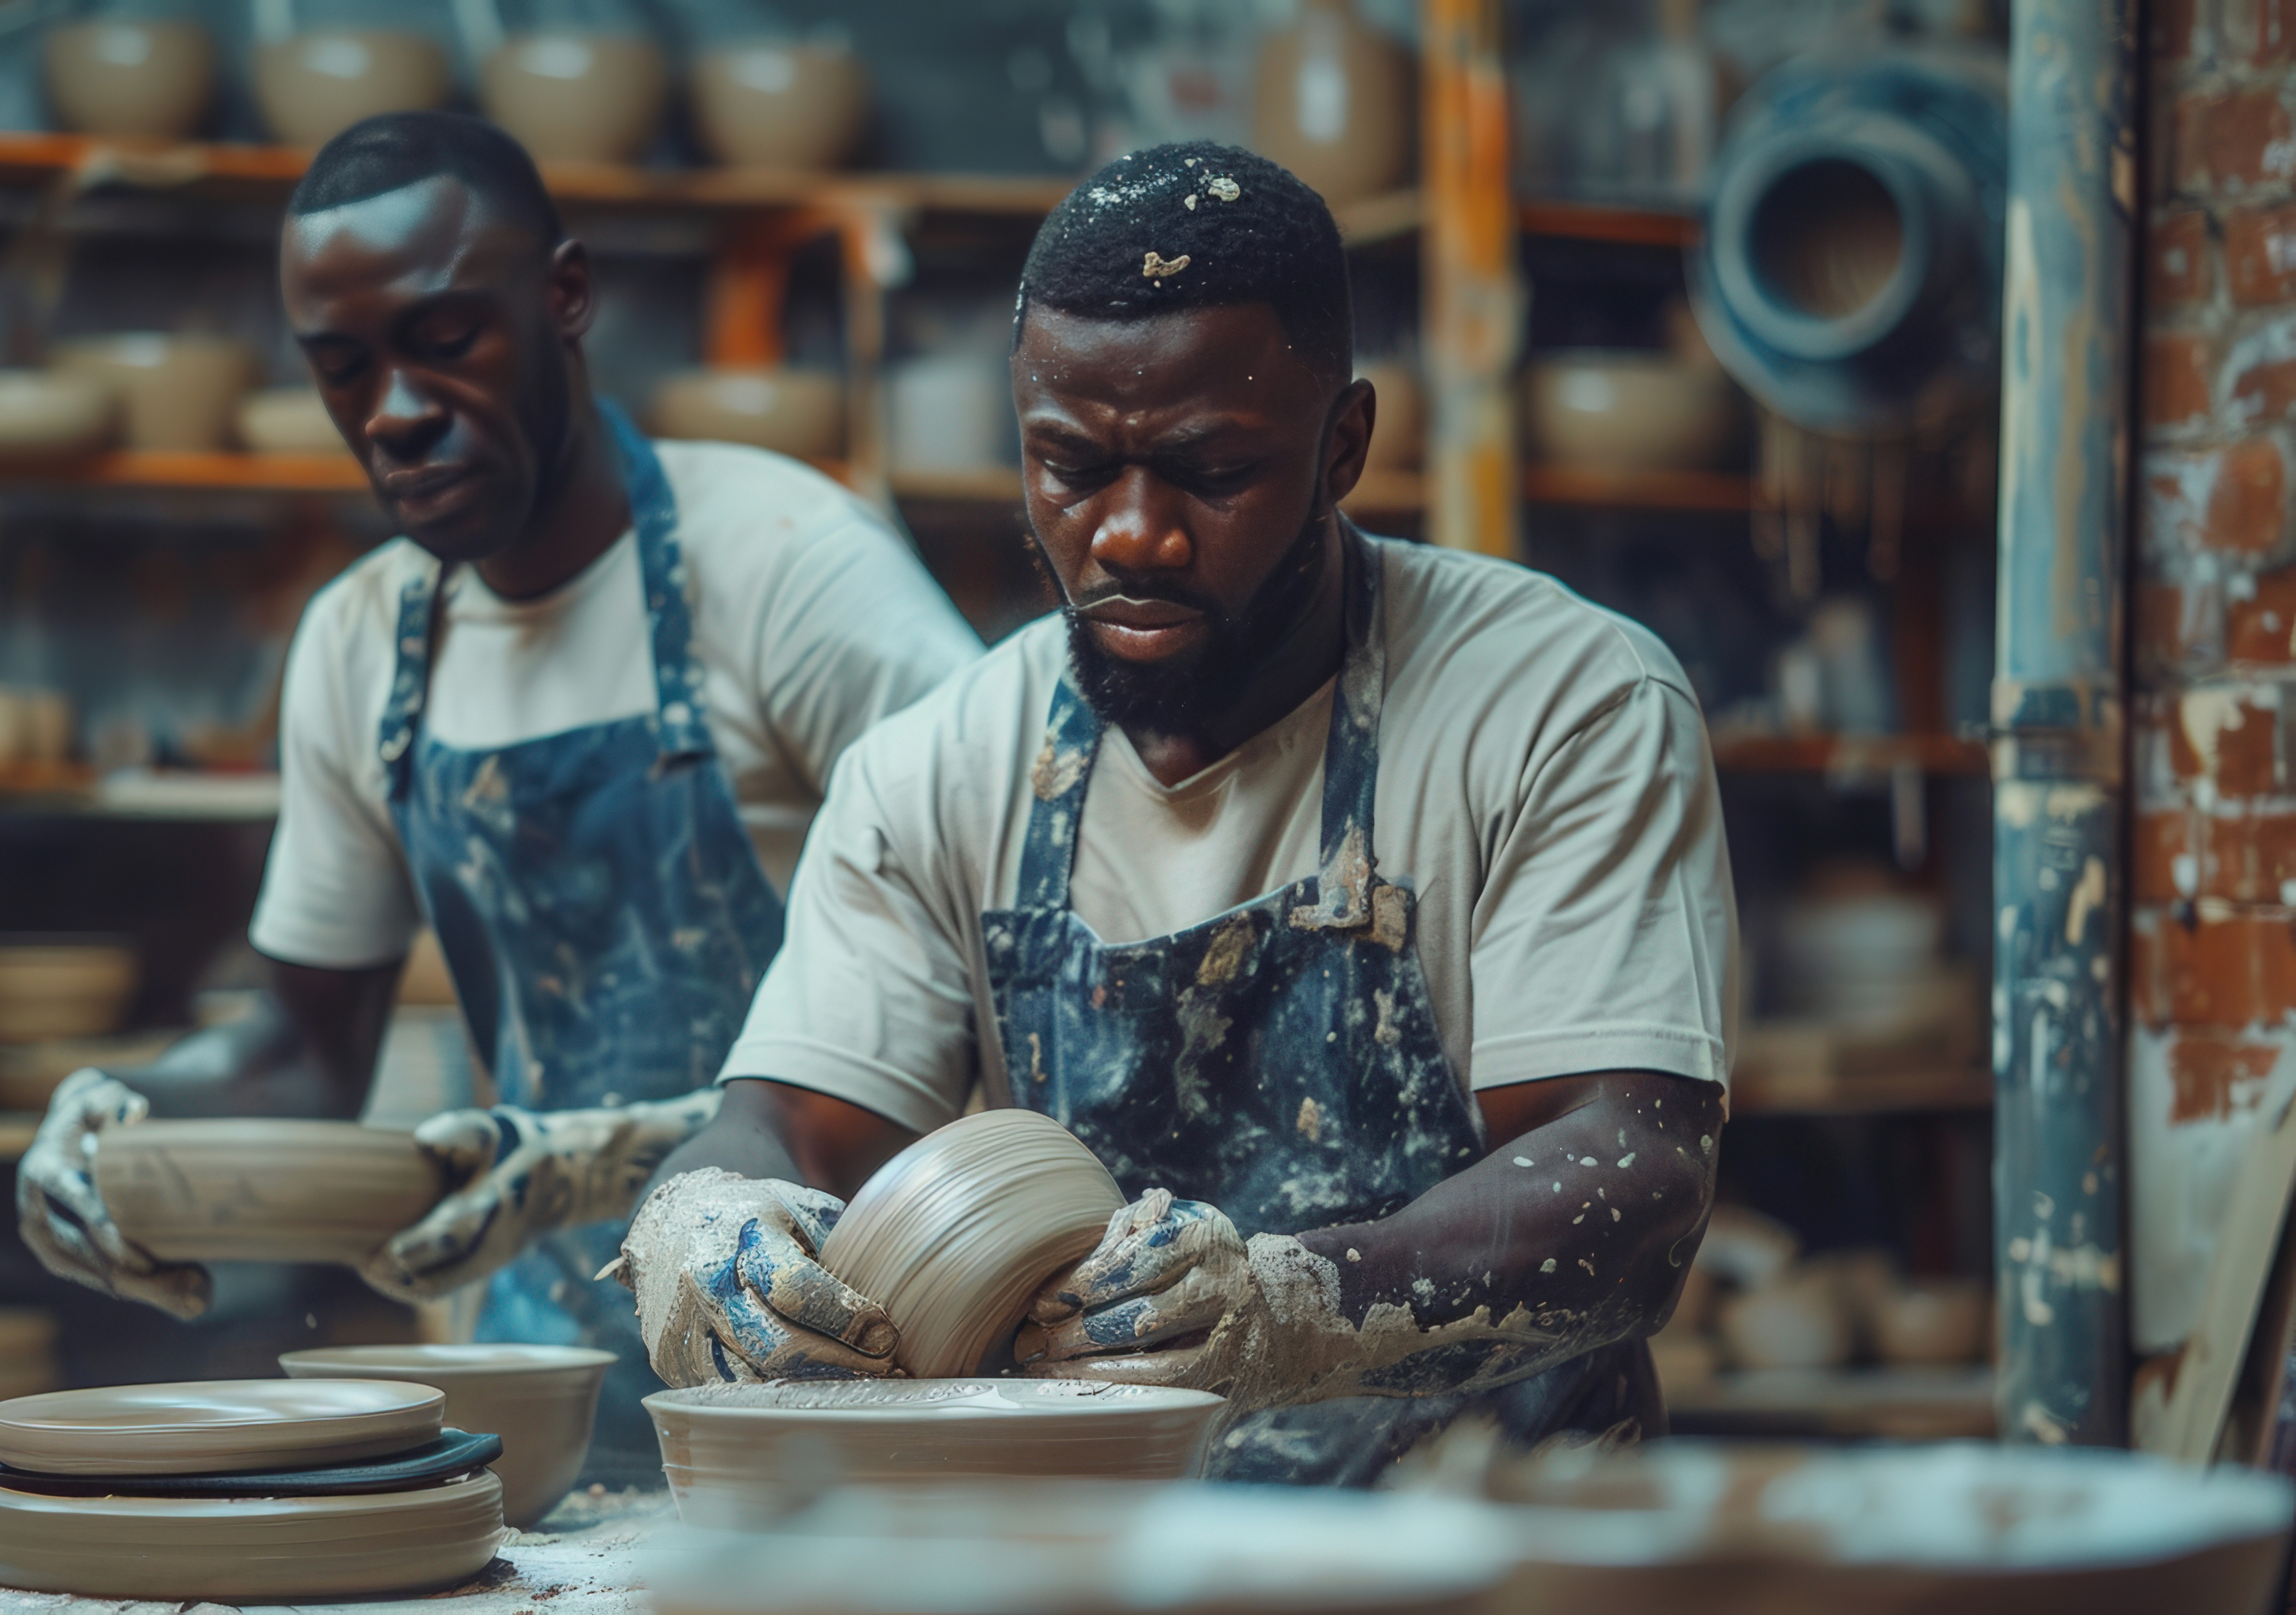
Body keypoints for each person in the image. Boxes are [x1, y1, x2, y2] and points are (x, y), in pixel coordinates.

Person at [610, 141, 1736, 1486]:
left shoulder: (1562, 701)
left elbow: (1634, 1175)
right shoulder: (938, 766)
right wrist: (708, 1213)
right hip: (1126, 1556)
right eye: (1070, 467)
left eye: (1208, 471)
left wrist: (1287, 1307)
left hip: (1511, 1542)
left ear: (1344, 447)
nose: (1130, 534)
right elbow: (789, 1124)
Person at [12, 112, 981, 1484]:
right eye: (344, 371)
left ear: (565, 299)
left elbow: (1007, 975)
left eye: (445, 341)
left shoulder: (785, 569)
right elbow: (305, 1050)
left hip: (837, 1346)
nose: (394, 412)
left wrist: (614, 1161)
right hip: (547, 1370)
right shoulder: (365, 643)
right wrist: (119, 1126)